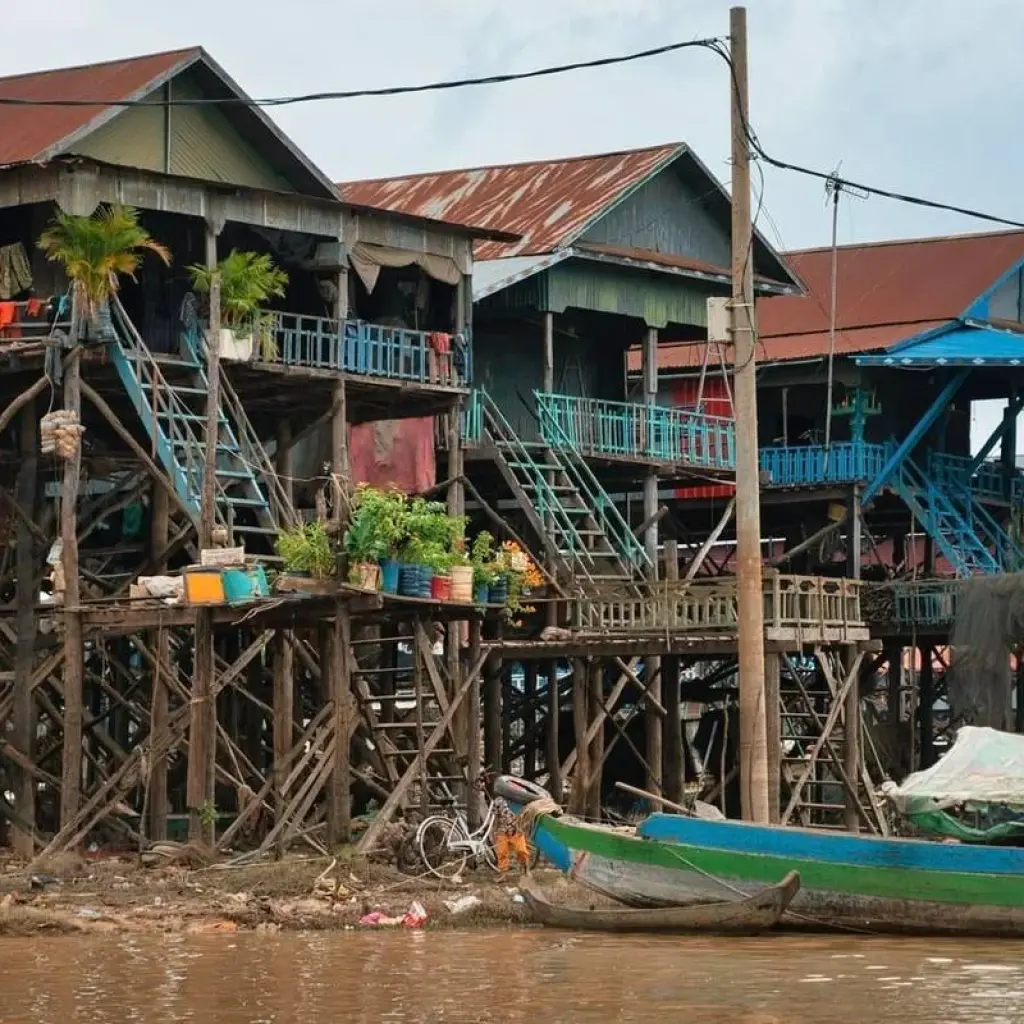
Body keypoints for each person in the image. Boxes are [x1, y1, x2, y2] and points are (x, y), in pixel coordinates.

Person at [477, 772, 531, 875]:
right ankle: (503, 874)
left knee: (521, 851)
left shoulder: (517, 800)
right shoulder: (498, 800)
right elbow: (495, 816)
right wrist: (494, 831)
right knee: (502, 853)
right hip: (502, 829)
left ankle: (525, 869)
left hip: (516, 828)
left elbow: (524, 815)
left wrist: (522, 826)